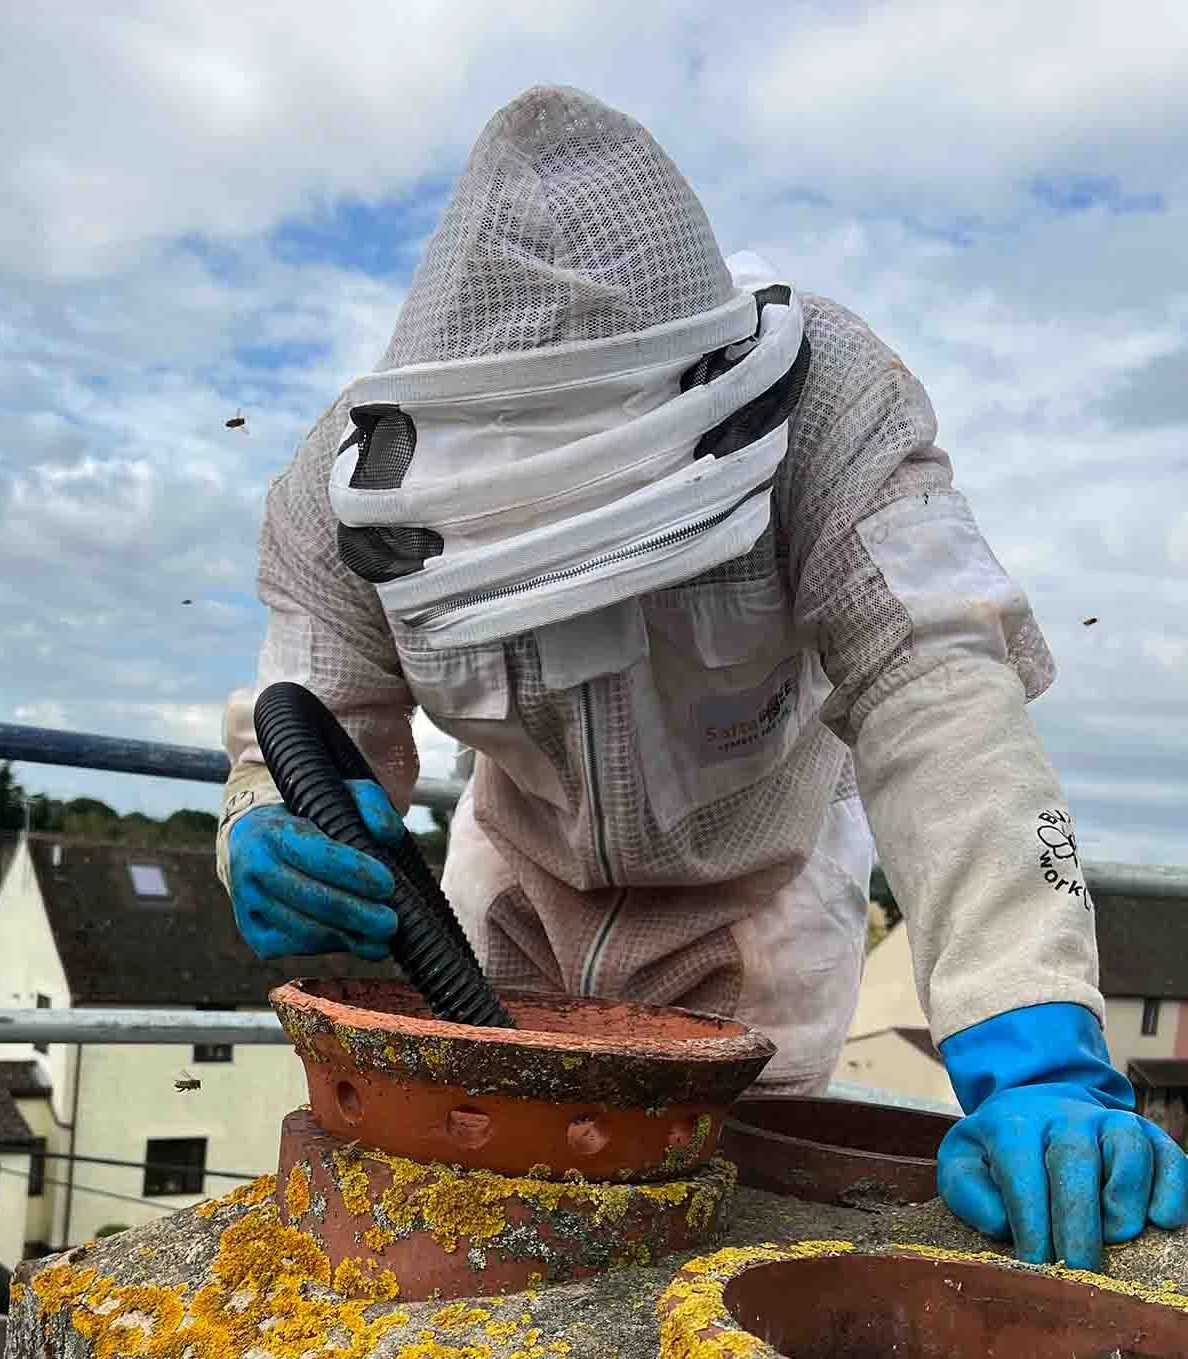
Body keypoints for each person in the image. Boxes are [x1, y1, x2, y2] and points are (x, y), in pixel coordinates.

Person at [216, 85, 1187, 1272]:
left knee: (720, 1235)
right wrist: (264, 822)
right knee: (482, 1234)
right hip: (511, 889)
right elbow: (309, 722)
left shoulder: (833, 405)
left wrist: (1031, 1038)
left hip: (759, 900)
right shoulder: (348, 487)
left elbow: (938, 699)